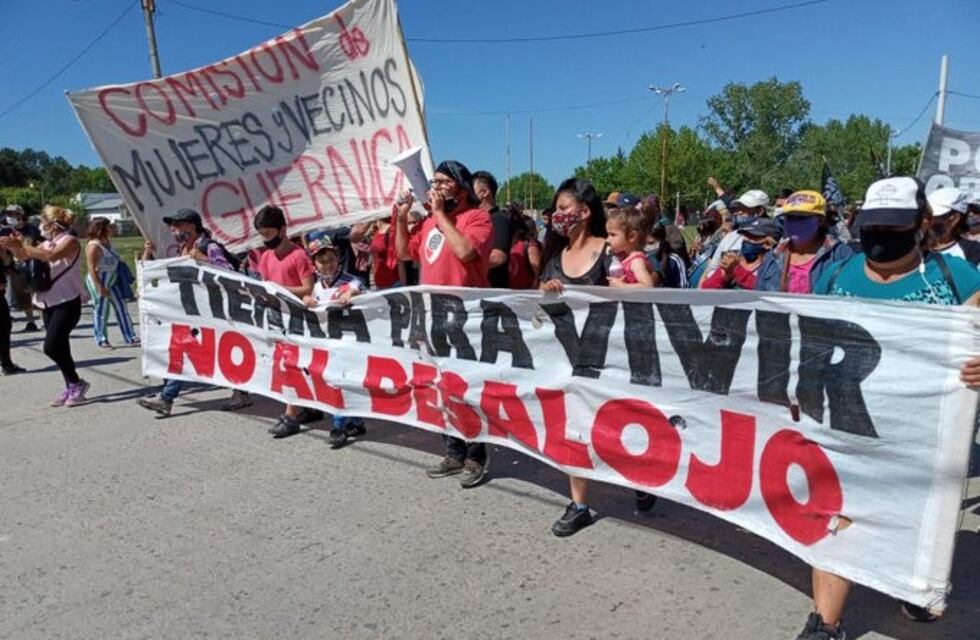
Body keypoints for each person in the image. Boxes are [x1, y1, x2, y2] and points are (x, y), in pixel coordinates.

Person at [802, 176, 980, 640]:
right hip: (844, 427)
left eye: (892, 227)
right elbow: (804, 339)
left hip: (921, 438)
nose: (879, 237)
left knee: (908, 522)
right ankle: (827, 623)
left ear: (921, 224)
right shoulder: (835, 277)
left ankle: (909, 581)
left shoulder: (955, 279)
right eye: (871, 226)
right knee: (836, 518)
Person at [394, 159, 493, 488]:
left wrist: (438, 215)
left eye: (443, 182)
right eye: (433, 182)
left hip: (468, 320)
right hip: (433, 318)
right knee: (442, 387)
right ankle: (453, 449)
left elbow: (465, 252)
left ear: (462, 188)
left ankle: (476, 455)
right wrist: (400, 217)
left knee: (469, 388)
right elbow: (404, 255)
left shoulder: (476, 218)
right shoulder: (427, 224)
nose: (436, 188)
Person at [538, 177, 614, 536]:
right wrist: (546, 294)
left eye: (564, 208)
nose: (557, 215)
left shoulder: (610, 251)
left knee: (622, 425)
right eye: (556, 210)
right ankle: (579, 502)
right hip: (570, 359)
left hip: (614, 359)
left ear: (584, 212)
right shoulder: (555, 259)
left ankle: (640, 484)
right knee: (575, 429)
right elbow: (536, 313)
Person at [137, 208, 244, 417]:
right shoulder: (182, 249)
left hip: (214, 311)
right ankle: (166, 398)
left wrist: (202, 258)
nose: (173, 229)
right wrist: (147, 256)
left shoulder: (208, 246)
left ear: (191, 226)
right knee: (177, 351)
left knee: (222, 352)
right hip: (190, 313)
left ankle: (241, 391)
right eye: (172, 226)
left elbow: (228, 273)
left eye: (177, 225)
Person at [0, 206, 89, 406]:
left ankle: (76, 382)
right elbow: (27, 258)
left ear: (54, 224)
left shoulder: (70, 241)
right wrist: (14, 247)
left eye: (43, 222)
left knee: (51, 346)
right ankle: (71, 386)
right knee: (61, 347)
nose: (41, 225)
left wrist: (21, 243)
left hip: (67, 300)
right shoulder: (47, 243)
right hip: (48, 300)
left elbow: (50, 257)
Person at [253, 205, 316, 438]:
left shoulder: (298, 255)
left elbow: (307, 288)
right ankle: (306, 406)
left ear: (282, 230)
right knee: (283, 365)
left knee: (292, 365)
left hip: (297, 318)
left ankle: (290, 415)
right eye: (262, 235)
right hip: (275, 316)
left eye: (268, 234)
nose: (265, 240)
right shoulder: (266, 256)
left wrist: (281, 290)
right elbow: (265, 283)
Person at [301, 235, 367, 448]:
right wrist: (307, 301)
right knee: (334, 381)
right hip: (328, 343)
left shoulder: (349, 280)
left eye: (330, 259)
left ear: (337, 259)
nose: (327, 265)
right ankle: (355, 421)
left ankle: (338, 426)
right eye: (322, 261)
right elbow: (312, 303)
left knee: (343, 381)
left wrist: (351, 294)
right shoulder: (318, 287)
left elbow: (357, 287)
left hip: (350, 342)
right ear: (315, 265)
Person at [755, 191, 852, 294]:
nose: (794, 223)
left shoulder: (841, 255)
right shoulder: (772, 257)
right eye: (790, 217)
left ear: (820, 220)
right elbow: (760, 298)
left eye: (802, 218)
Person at [84, 217, 139, 348]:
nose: (112, 229)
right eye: (109, 227)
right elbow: (92, 269)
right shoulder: (93, 246)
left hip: (112, 278)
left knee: (121, 306)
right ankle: (101, 338)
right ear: (101, 229)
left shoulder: (107, 242)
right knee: (102, 309)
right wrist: (99, 287)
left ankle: (130, 336)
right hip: (99, 278)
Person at [699, 182, 769, 284]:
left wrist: (737, 269)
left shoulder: (770, 239)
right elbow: (710, 270)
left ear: (759, 211)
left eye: (745, 208)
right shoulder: (730, 237)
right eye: (739, 207)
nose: (739, 212)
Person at [700, 217, 780, 289]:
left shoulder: (774, 266)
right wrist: (725, 275)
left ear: (768, 244)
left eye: (753, 237)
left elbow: (765, 289)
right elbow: (706, 289)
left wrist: (737, 270)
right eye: (745, 235)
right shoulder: (733, 258)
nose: (746, 240)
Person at [474, 170, 514, 289]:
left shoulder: (499, 220)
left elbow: (498, 257)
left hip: (492, 292)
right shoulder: (475, 221)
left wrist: (466, 266)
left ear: (485, 192)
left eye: (471, 190)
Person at [4, 204, 40, 332]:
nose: (10, 216)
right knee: (22, 295)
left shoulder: (31, 229)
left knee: (37, 292)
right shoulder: (7, 229)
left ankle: (45, 318)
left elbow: (34, 243)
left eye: (13, 214)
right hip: (15, 267)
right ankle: (31, 321)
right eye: (8, 214)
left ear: (20, 215)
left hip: (32, 264)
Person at [926, 187, 980, 266]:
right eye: (926, 215)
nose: (930, 221)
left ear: (955, 218)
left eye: (937, 216)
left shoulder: (973, 251)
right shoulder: (913, 245)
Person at [605, 206, 654, 287]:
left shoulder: (636, 261)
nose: (607, 240)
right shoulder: (624, 258)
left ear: (632, 236)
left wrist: (622, 286)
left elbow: (648, 286)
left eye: (612, 235)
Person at [0, 228, 25, 375]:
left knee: (5, 329)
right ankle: (6, 364)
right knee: (3, 328)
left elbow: (13, 270)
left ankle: (6, 363)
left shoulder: (6, 252)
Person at [507, 209, 542, 290]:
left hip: (525, 295)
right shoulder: (507, 245)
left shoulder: (530, 246)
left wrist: (532, 294)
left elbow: (539, 274)